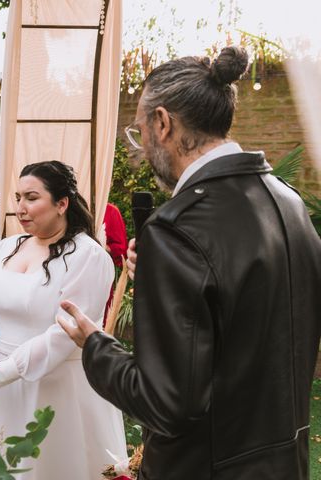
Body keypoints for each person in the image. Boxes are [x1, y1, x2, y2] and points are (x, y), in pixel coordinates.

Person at [58, 46, 321, 479]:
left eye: (138, 130)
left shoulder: (178, 227)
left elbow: (167, 404)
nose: (140, 145)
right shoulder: (288, 202)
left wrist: (96, 347)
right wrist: (172, 281)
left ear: (163, 123)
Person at [0, 161, 128, 479]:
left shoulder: (88, 256)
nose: (20, 208)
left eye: (31, 197)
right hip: (6, 388)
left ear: (62, 203)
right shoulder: (6, 248)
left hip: (62, 388)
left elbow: (62, 334)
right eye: (17, 198)